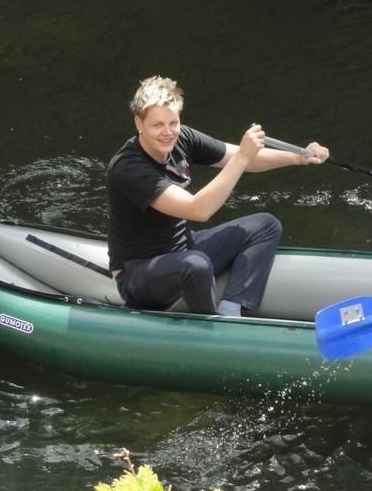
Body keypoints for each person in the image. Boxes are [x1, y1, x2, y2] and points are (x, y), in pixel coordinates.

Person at [107, 76, 329, 317]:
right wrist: (243, 157)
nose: (168, 132)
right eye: (157, 125)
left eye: (173, 122)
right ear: (139, 123)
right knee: (196, 265)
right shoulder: (128, 168)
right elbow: (199, 210)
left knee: (266, 225)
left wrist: (299, 157)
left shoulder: (183, 139)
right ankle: (211, 328)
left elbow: (246, 158)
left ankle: (231, 308)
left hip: (182, 248)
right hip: (138, 272)